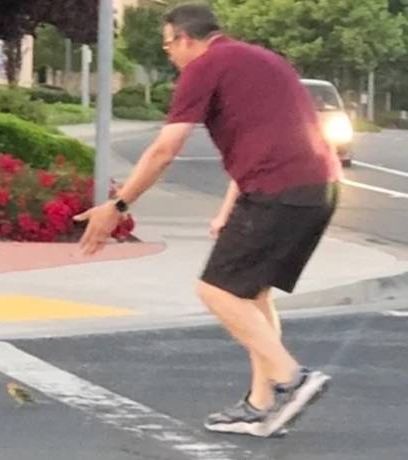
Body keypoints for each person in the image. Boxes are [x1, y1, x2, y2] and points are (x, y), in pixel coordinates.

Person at [73, 3, 341, 438]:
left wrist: (118, 206)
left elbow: (165, 149)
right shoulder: (265, 60)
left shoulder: (204, 66)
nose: (169, 55)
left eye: (167, 46)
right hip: (318, 188)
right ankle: (261, 405)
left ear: (184, 38)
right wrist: (228, 208)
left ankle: (293, 379)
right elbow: (271, 136)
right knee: (251, 294)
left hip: (280, 190)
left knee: (215, 290)